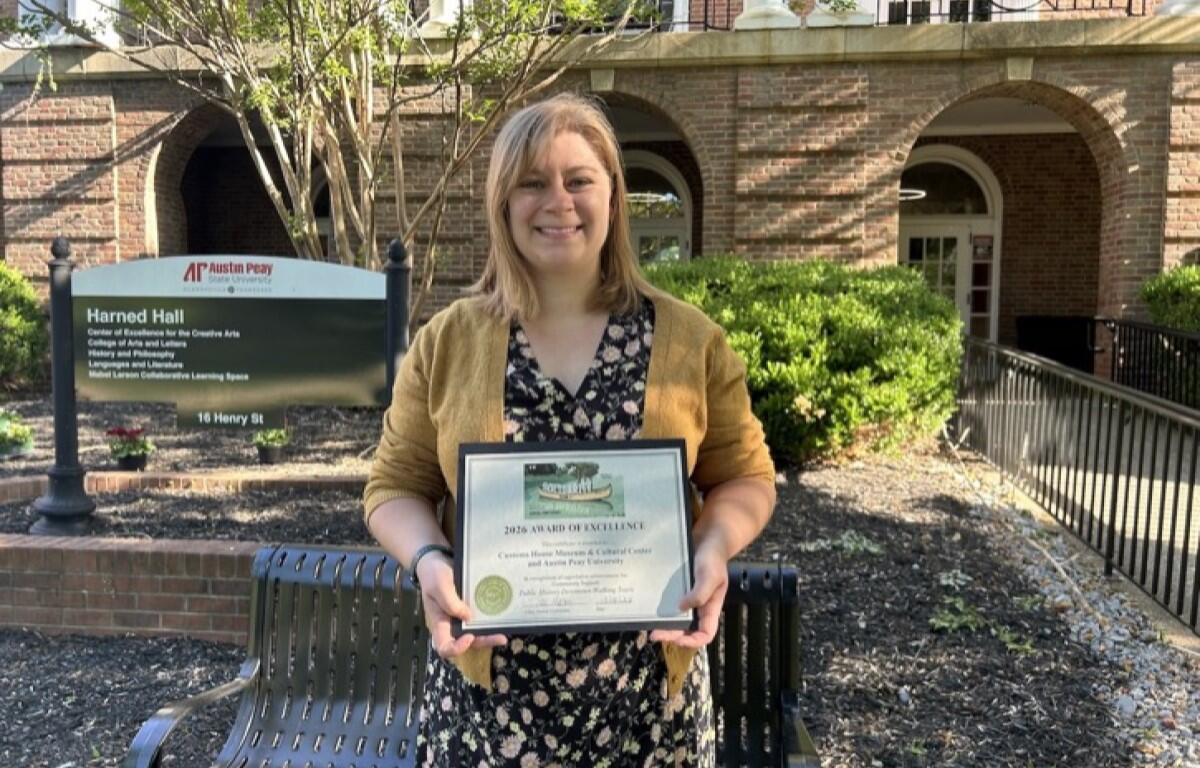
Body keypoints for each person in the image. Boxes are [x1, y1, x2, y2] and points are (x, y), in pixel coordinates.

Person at [363, 92, 776, 767]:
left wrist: (714, 545)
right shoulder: (449, 341)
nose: (558, 201)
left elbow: (746, 476)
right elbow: (393, 487)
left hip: (648, 705)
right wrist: (429, 560)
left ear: (612, 195)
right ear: (502, 203)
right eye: (532, 183)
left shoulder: (689, 340)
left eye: (578, 179)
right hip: (489, 707)